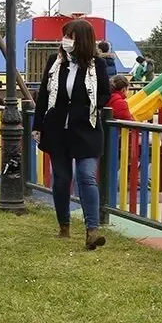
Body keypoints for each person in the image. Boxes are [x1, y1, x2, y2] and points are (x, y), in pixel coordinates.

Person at [32, 19, 110, 250]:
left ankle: (92, 231)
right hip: (58, 131)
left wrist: (87, 109)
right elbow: (44, 97)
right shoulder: (54, 64)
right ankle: (64, 225)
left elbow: (105, 94)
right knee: (62, 179)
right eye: (65, 36)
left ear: (83, 40)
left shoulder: (98, 66)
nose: (66, 41)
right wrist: (38, 125)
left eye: (71, 37)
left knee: (86, 176)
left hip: (87, 130)